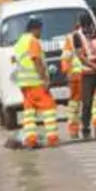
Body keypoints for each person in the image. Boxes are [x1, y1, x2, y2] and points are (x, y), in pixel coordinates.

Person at [13, 19, 60, 149]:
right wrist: (44, 79)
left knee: (29, 112)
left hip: (24, 83)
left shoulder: (20, 42)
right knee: (49, 108)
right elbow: (37, 60)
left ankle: (31, 140)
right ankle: (52, 138)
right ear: (35, 29)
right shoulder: (32, 41)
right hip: (35, 82)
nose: (40, 33)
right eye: (40, 30)